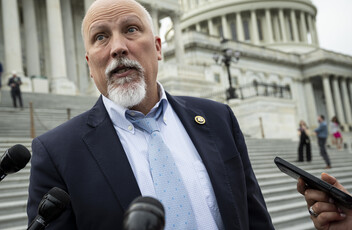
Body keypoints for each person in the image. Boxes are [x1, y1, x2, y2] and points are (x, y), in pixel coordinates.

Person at [27, 0, 274, 229]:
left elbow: (255, 220)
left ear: (158, 47)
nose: (118, 48)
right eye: (101, 37)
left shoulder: (219, 119)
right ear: (89, 64)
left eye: (131, 29)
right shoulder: (56, 153)